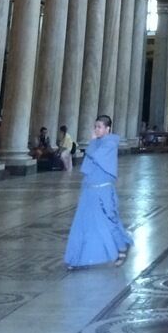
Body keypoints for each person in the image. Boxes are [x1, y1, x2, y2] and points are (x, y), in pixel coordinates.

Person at [64, 115, 132, 269]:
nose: (96, 130)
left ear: (108, 129)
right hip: (90, 190)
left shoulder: (110, 142)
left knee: (109, 221)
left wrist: (93, 142)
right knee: (83, 224)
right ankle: (77, 258)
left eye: (99, 127)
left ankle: (121, 248)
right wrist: (94, 142)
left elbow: (96, 156)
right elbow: (88, 166)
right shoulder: (97, 143)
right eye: (95, 127)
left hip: (103, 191)